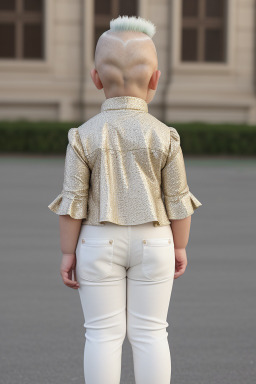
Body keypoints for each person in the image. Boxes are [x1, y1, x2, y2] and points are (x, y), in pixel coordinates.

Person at [48, 15, 202, 384]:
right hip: (156, 239)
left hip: (97, 241)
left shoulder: (82, 137)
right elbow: (178, 200)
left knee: (101, 334)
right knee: (151, 334)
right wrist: (180, 247)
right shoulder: (166, 137)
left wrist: (68, 253)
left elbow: (74, 202)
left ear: (96, 78)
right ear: (155, 80)